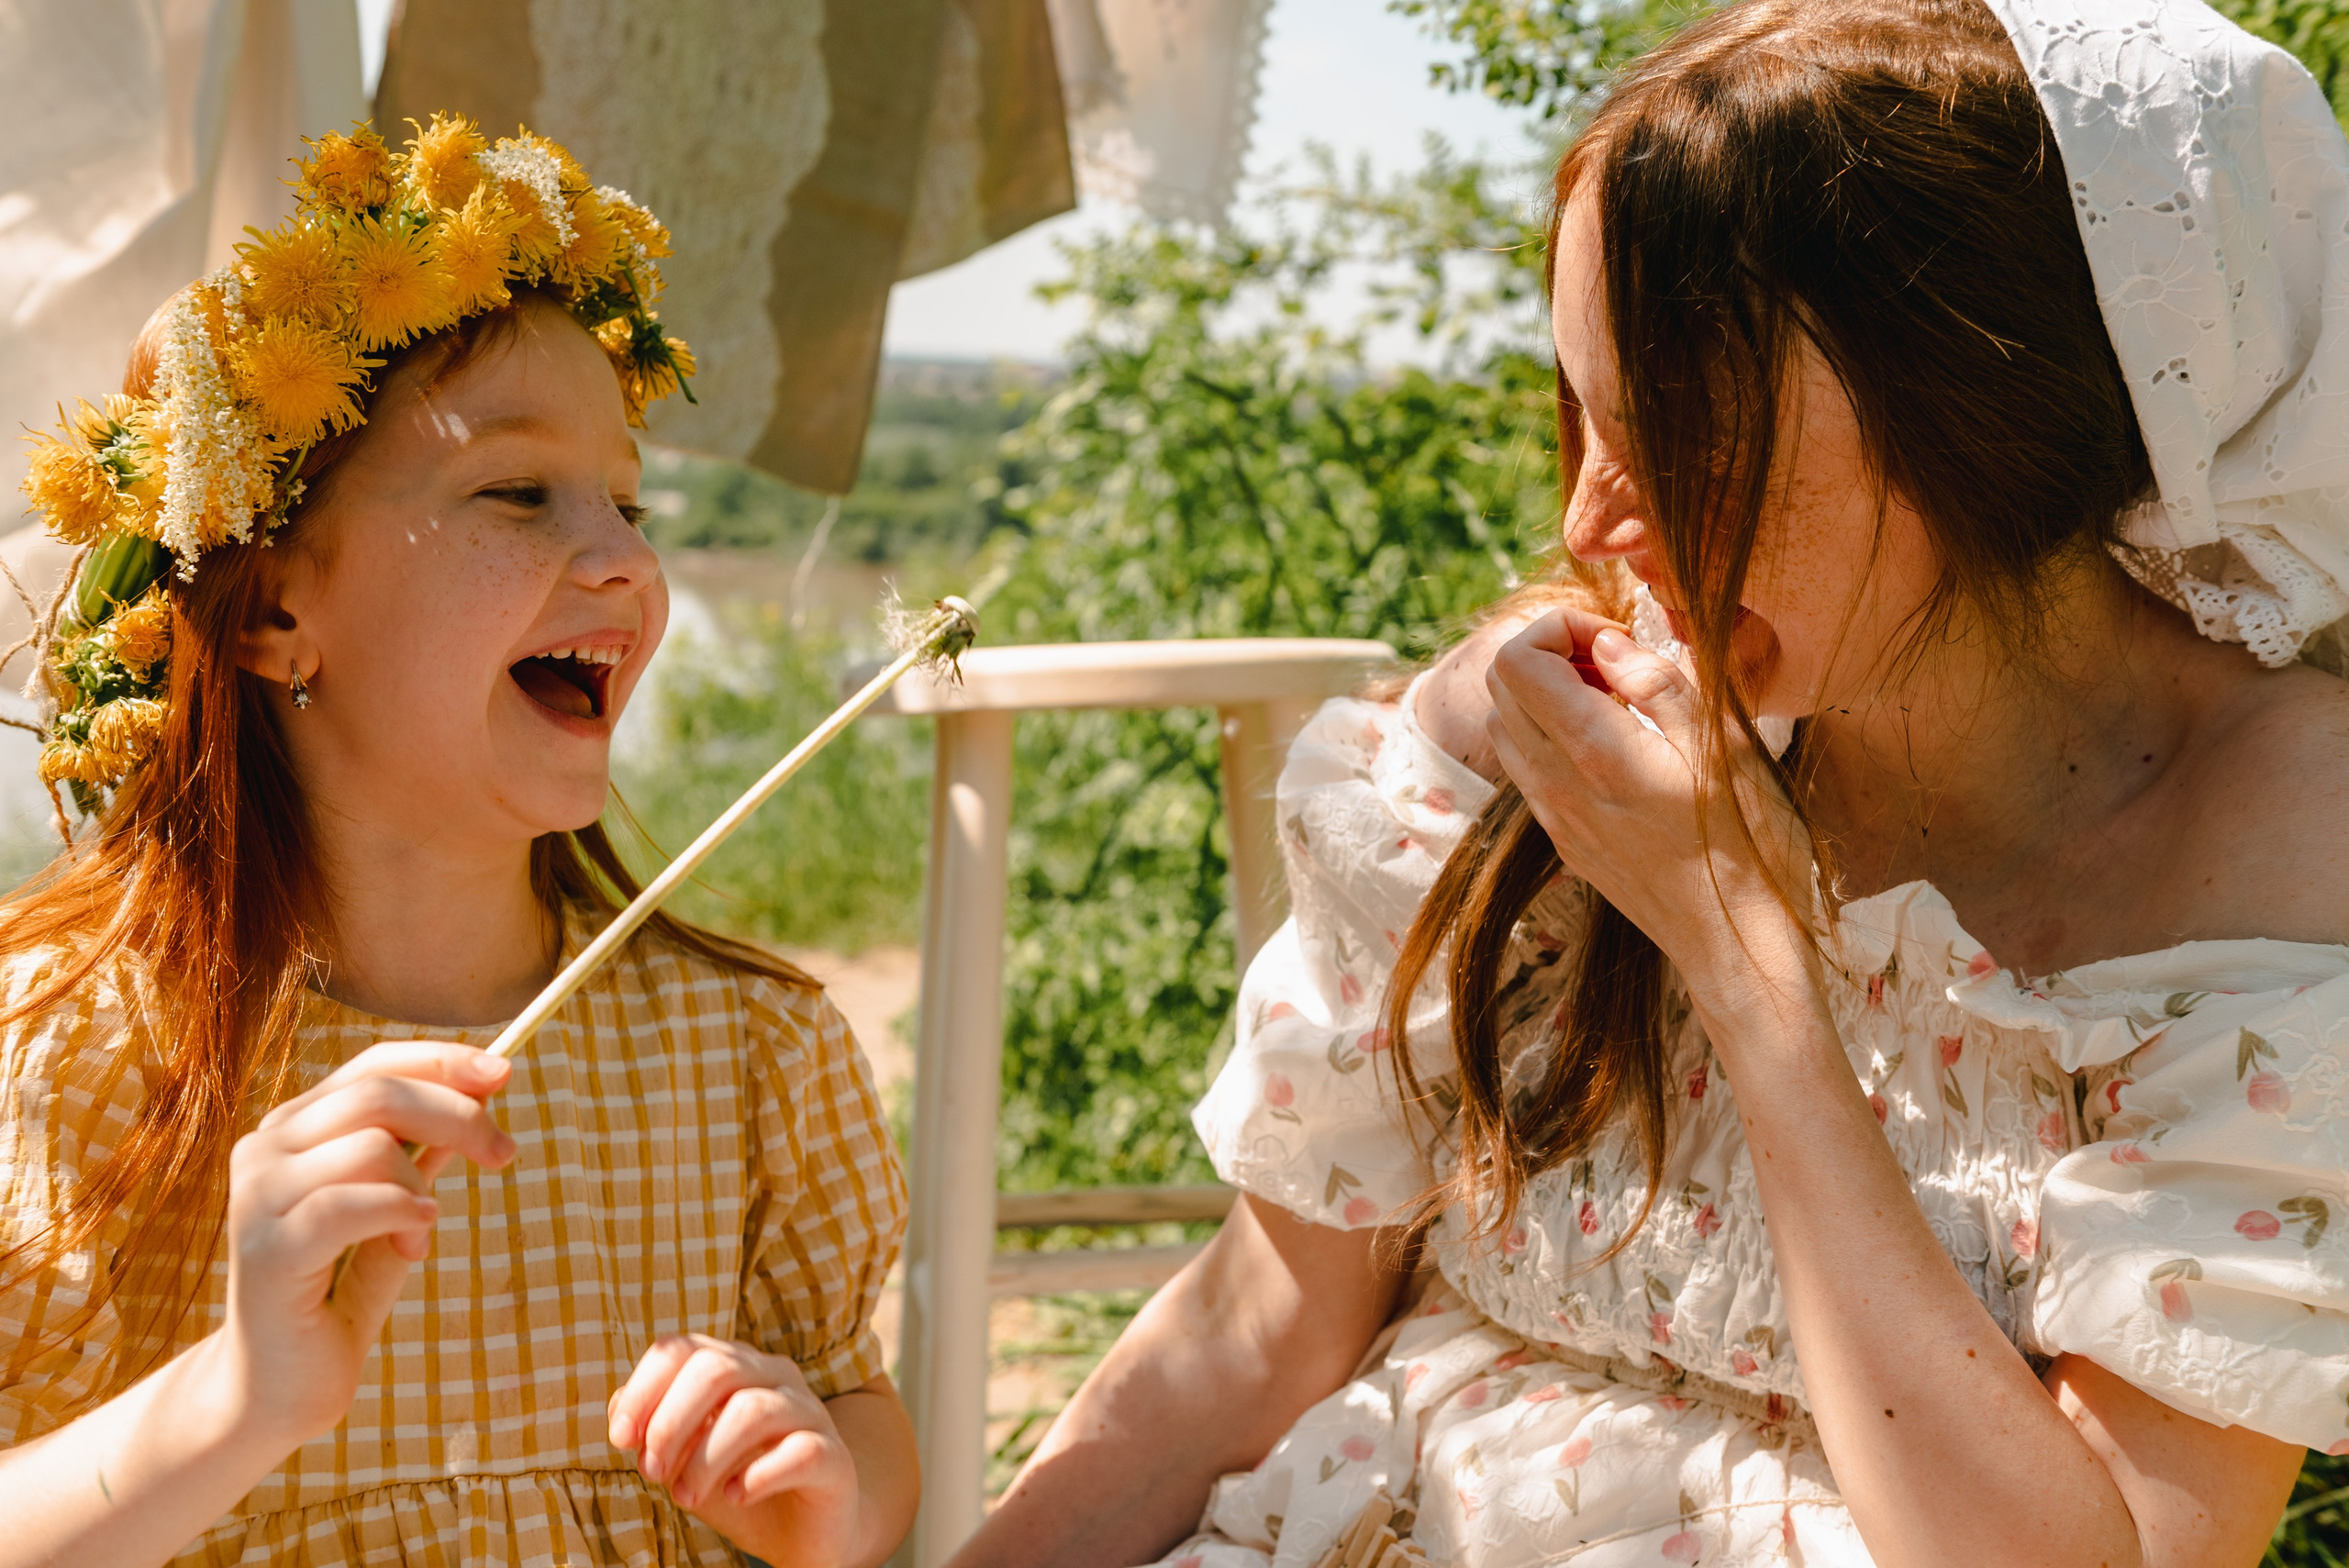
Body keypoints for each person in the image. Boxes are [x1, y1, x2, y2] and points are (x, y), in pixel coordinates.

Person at [952, 1, 2349, 1563]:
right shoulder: (1575, 732)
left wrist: (1746, 968)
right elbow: (1255, 1332)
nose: (1597, 522)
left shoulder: (2273, 858)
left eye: (1675, 437)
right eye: (1584, 418)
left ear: (1973, 409)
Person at [0, 117, 914, 1568]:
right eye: (516, 491)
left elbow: (861, 1411)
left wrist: (832, 1498)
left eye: (629, 500)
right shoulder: (79, 1046)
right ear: (274, 607)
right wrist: (235, 1401)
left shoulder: (751, 1052)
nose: (621, 558)